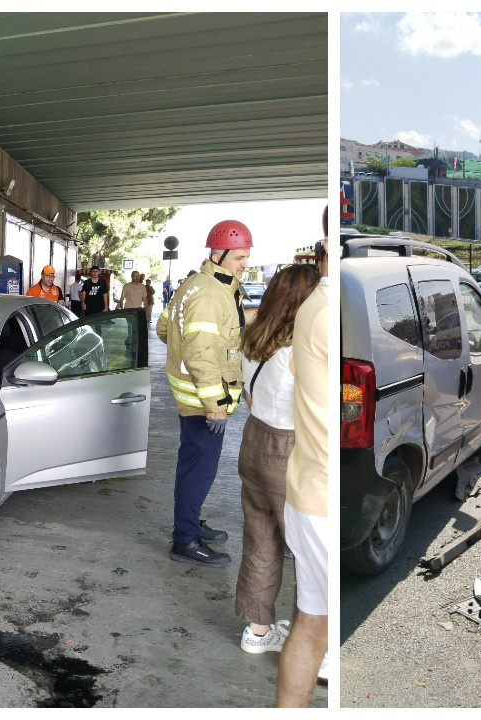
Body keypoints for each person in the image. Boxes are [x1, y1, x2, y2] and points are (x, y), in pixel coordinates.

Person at [234, 263, 321, 655]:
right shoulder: (299, 351)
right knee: (310, 550)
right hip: (289, 448)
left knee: (260, 538)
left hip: (253, 440)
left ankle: (258, 631)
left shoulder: (253, 339)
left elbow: (251, 398)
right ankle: (316, 650)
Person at [157, 220, 252, 568]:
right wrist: (215, 406)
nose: (244, 264)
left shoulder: (195, 285)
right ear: (218, 253)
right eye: (239, 257)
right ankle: (184, 540)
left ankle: (190, 523)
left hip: (192, 395)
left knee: (192, 465)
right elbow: (200, 353)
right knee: (200, 471)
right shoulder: (212, 294)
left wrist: (183, 349)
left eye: (246, 256)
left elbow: (164, 328)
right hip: (203, 401)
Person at [276, 209, 330, 706]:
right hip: (324, 499)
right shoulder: (333, 310)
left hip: (308, 487)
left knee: (312, 627)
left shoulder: (317, 305)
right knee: (321, 630)